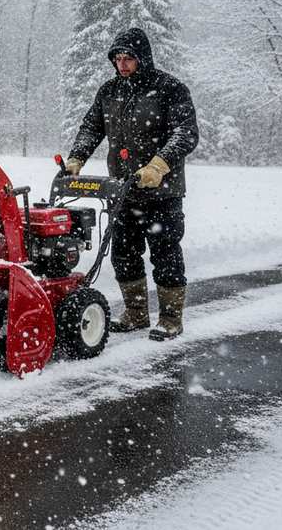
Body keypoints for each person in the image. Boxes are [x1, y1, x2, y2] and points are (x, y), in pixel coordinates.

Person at [65, 28, 199, 340]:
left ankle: (170, 318)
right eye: (118, 59)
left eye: (129, 59)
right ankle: (136, 313)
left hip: (160, 191)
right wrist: (76, 158)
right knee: (123, 253)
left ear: (144, 58)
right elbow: (91, 126)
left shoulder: (169, 88)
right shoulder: (109, 91)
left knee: (165, 253)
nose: (122, 65)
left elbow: (186, 132)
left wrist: (159, 165)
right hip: (123, 189)